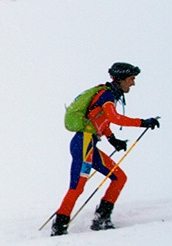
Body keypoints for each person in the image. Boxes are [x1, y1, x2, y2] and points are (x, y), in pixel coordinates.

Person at [51, 62, 160, 236]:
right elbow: (114, 118)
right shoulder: (106, 95)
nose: (133, 83)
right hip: (84, 144)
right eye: (131, 79)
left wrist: (112, 139)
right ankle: (60, 225)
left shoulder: (110, 95)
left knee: (119, 177)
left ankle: (102, 218)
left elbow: (101, 120)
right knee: (77, 187)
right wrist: (143, 122)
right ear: (121, 79)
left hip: (89, 144)